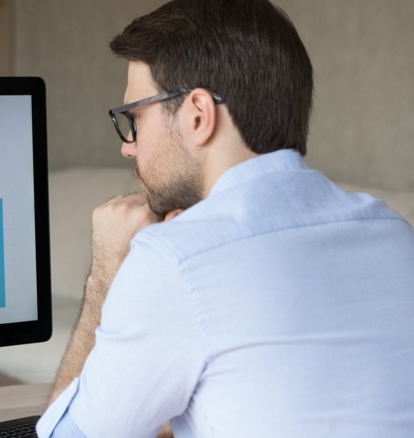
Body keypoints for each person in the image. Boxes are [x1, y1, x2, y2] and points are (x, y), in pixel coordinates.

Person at [36, 0, 414, 436]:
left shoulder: (174, 259)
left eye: (135, 118)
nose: (128, 146)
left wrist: (106, 271)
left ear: (199, 114)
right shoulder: (395, 237)